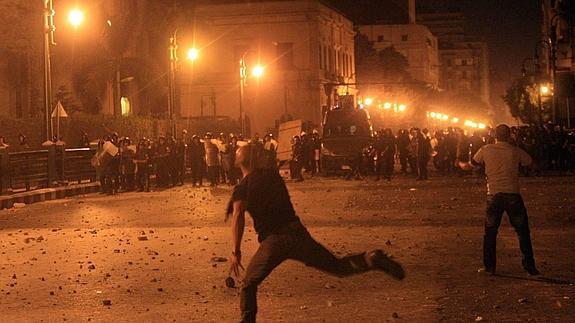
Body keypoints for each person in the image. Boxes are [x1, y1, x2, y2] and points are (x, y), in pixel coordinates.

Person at [226, 144, 405, 323]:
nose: (235, 153)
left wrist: (236, 252)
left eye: (237, 152)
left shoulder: (243, 187)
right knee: (338, 267)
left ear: (242, 160)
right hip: (296, 233)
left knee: (248, 284)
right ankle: (370, 258)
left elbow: (238, 215)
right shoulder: (273, 176)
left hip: (274, 240)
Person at [462, 124, 539, 276]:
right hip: (513, 195)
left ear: (494, 135)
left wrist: (460, 164)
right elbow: (531, 164)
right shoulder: (515, 151)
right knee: (522, 231)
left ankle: (490, 267)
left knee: (490, 232)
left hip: (494, 196)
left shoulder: (485, 150)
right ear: (509, 135)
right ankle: (530, 266)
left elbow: (471, 166)